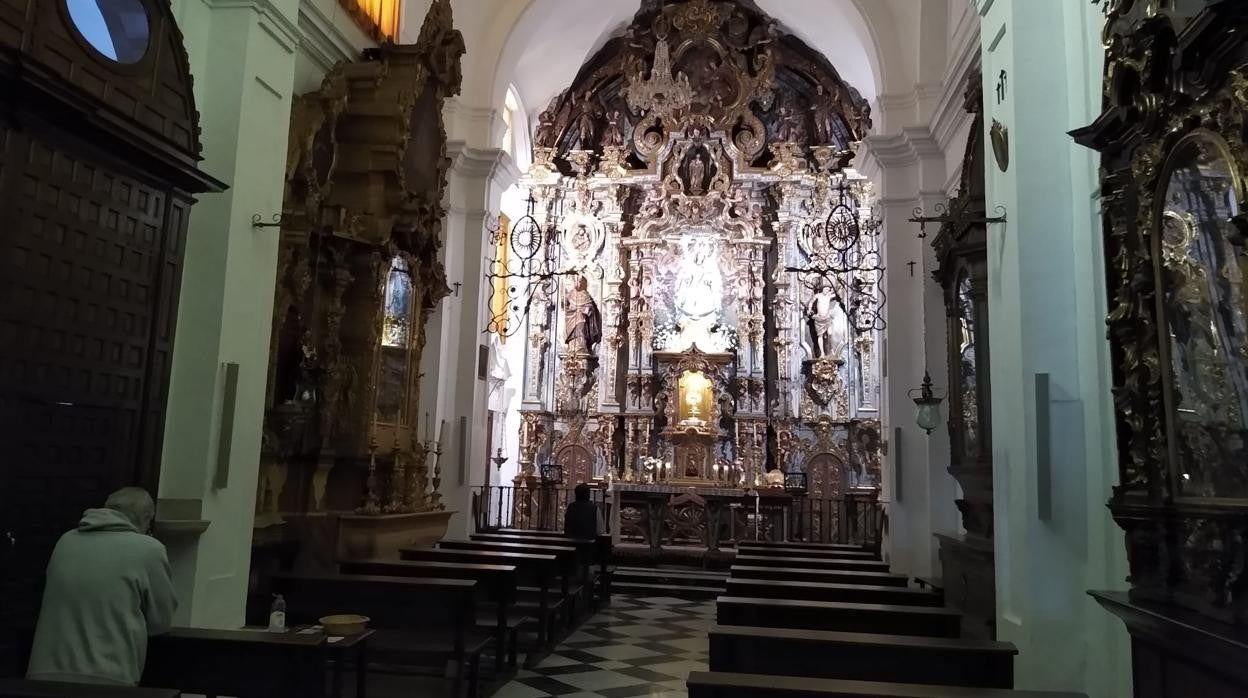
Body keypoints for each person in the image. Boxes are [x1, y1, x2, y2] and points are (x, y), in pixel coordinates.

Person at [27, 487, 177, 686]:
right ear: (146, 518)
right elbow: (160, 621)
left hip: (44, 674)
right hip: (109, 676)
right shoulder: (150, 549)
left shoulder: (66, 540)